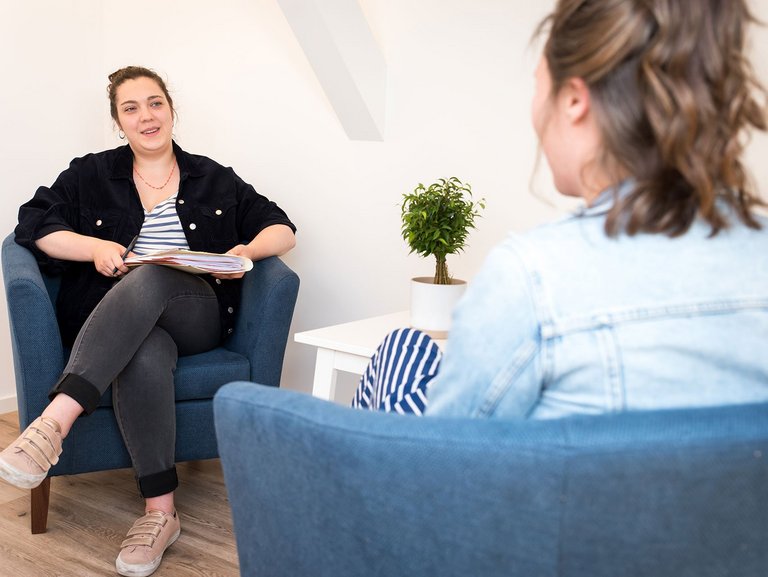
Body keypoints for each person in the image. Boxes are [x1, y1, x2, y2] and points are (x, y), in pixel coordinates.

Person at [354, 0, 768, 418]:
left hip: (518, 478)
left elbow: (446, 461)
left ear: (573, 99)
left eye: (539, 84)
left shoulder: (530, 280)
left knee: (403, 350)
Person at [0, 66, 296, 576]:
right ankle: (161, 513)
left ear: (171, 110)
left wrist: (244, 250)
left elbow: (282, 228)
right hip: (123, 322)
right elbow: (34, 226)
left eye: (154, 103)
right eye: (131, 108)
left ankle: (54, 423)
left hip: (197, 313)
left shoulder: (212, 177)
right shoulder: (91, 174)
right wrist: (93, 247)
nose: (146, 116)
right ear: (118, 122)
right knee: (144, 350)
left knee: (156, 274)